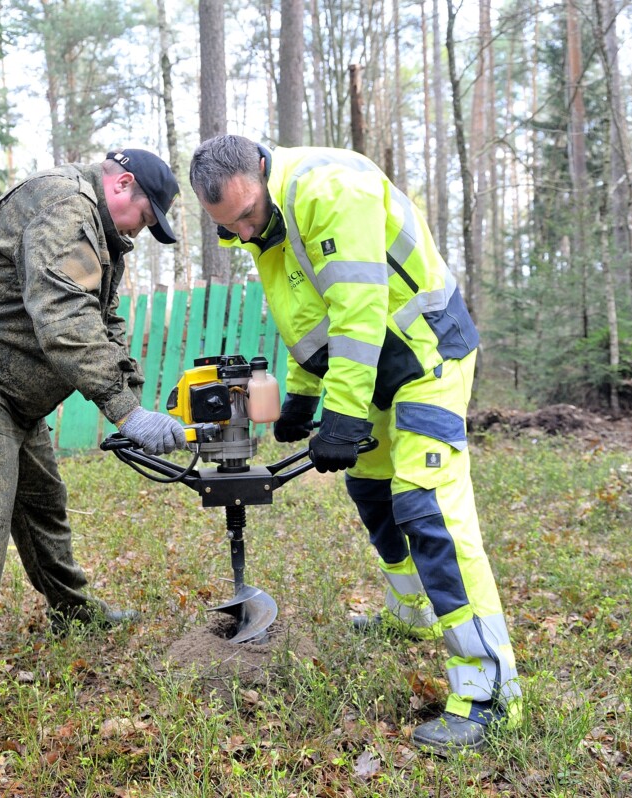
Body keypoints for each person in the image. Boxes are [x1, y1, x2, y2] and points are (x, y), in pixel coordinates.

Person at [189, 134, 521, 754]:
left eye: (247, 217)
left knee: (426, 506)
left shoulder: (330, 190)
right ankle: (412, 613)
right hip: (373, 371)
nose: (244, 232)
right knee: (370, 487)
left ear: (261, 170)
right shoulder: (264, 225)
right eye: (229, 228)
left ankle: (490, 693)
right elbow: (311, 315)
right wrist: (302, 395)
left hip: (425, 357)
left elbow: (359, 310)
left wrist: (340, 418)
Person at [0, 148, 187, 733]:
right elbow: (65, 321)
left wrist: (134, 401)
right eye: (145, 216)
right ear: (122, 184)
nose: (141, 231)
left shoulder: (96, 229)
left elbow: (101, 321)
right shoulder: (64, 206)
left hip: (6, 386)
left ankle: (71, 611)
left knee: (42, 502)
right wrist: (125, 412)